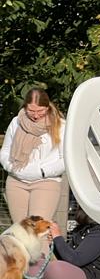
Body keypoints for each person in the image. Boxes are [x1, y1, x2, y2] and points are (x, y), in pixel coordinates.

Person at [1, 88, 66, 223]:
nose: (36, 116)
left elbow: (65, 159)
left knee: (37, 229)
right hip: (16, 182)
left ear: (47, 107)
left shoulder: (60, 126)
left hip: (46, 182)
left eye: (40, 111)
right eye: (31, 111)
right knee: (20, 230)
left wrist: (42, 171)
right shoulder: (16, 122)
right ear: (25, 107)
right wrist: (11, 168)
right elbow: (5, 151)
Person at [42, 208, 100, 279]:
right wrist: (54, 243)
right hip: (79, 276)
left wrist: (58, 237)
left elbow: (76, 260)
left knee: (54, 268)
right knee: (36, 264)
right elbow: (66, 259)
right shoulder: (82, 230)